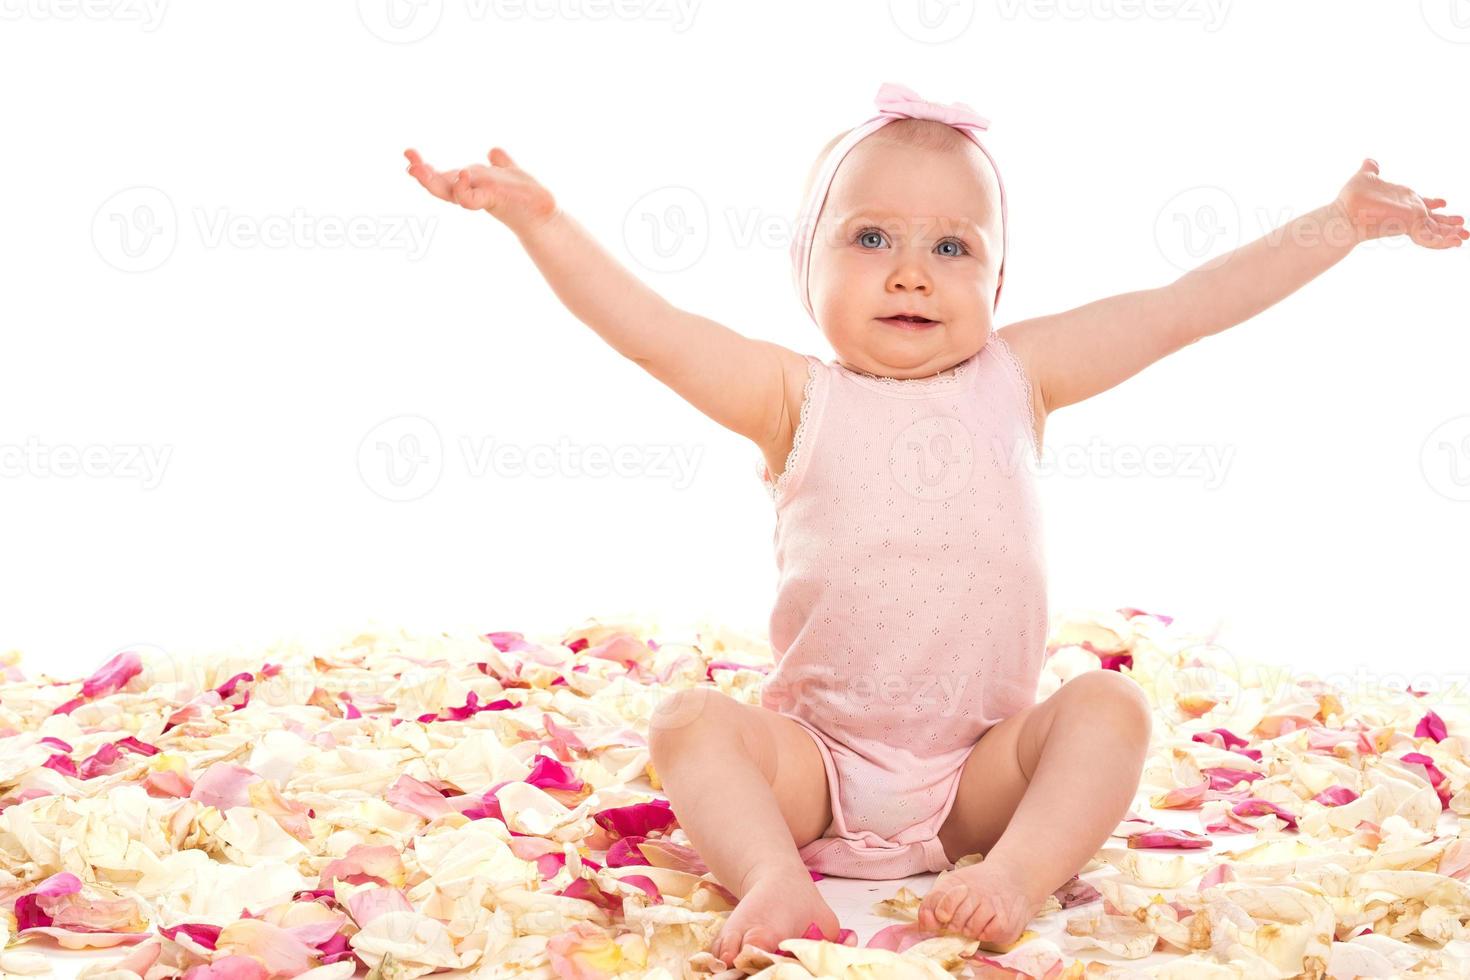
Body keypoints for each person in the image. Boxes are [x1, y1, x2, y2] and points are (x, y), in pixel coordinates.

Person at [403, 82, 1465, 963]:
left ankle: (1015, 875)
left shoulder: (1023, 377)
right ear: (807, 267)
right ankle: (773, 874)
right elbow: (653, 332)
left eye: (952, 248)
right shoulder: (791, 397)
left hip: (978, 773)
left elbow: (1186, 304)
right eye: (871, 237)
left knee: (1109, 709)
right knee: (689, 723)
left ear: (999, 280)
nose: (911, 269)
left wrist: (1340, 223)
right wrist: (540, 222)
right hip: (813, 766)